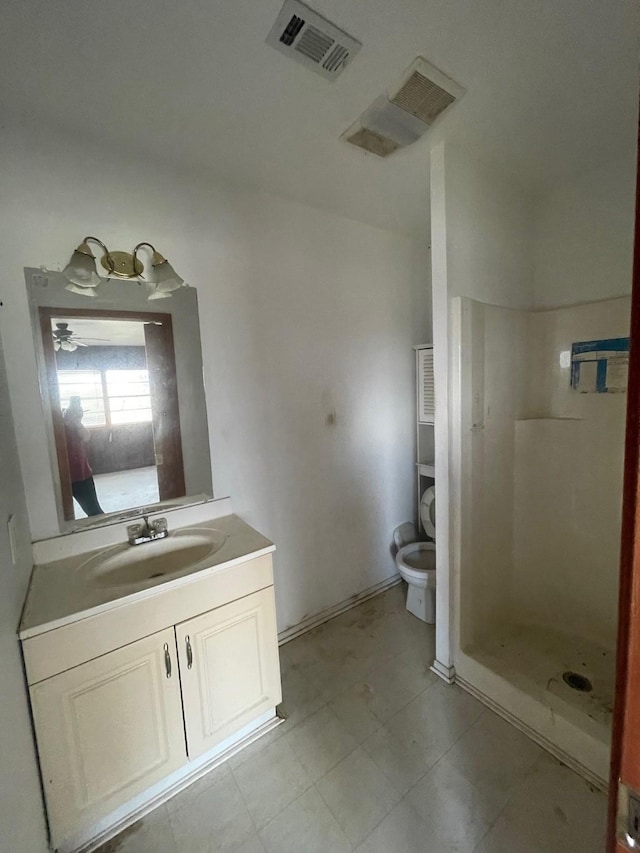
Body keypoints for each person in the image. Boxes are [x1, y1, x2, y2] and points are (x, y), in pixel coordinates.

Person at [63, 396, 104, 516]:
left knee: (94, 511)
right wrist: (66, 420)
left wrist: (77, 423)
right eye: (73, 413)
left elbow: (86, 437)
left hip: (82, 475)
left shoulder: (77, 428)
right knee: (64, 516)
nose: (77, 415)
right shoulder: (57, 429)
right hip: (64, 478)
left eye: (79, 413)